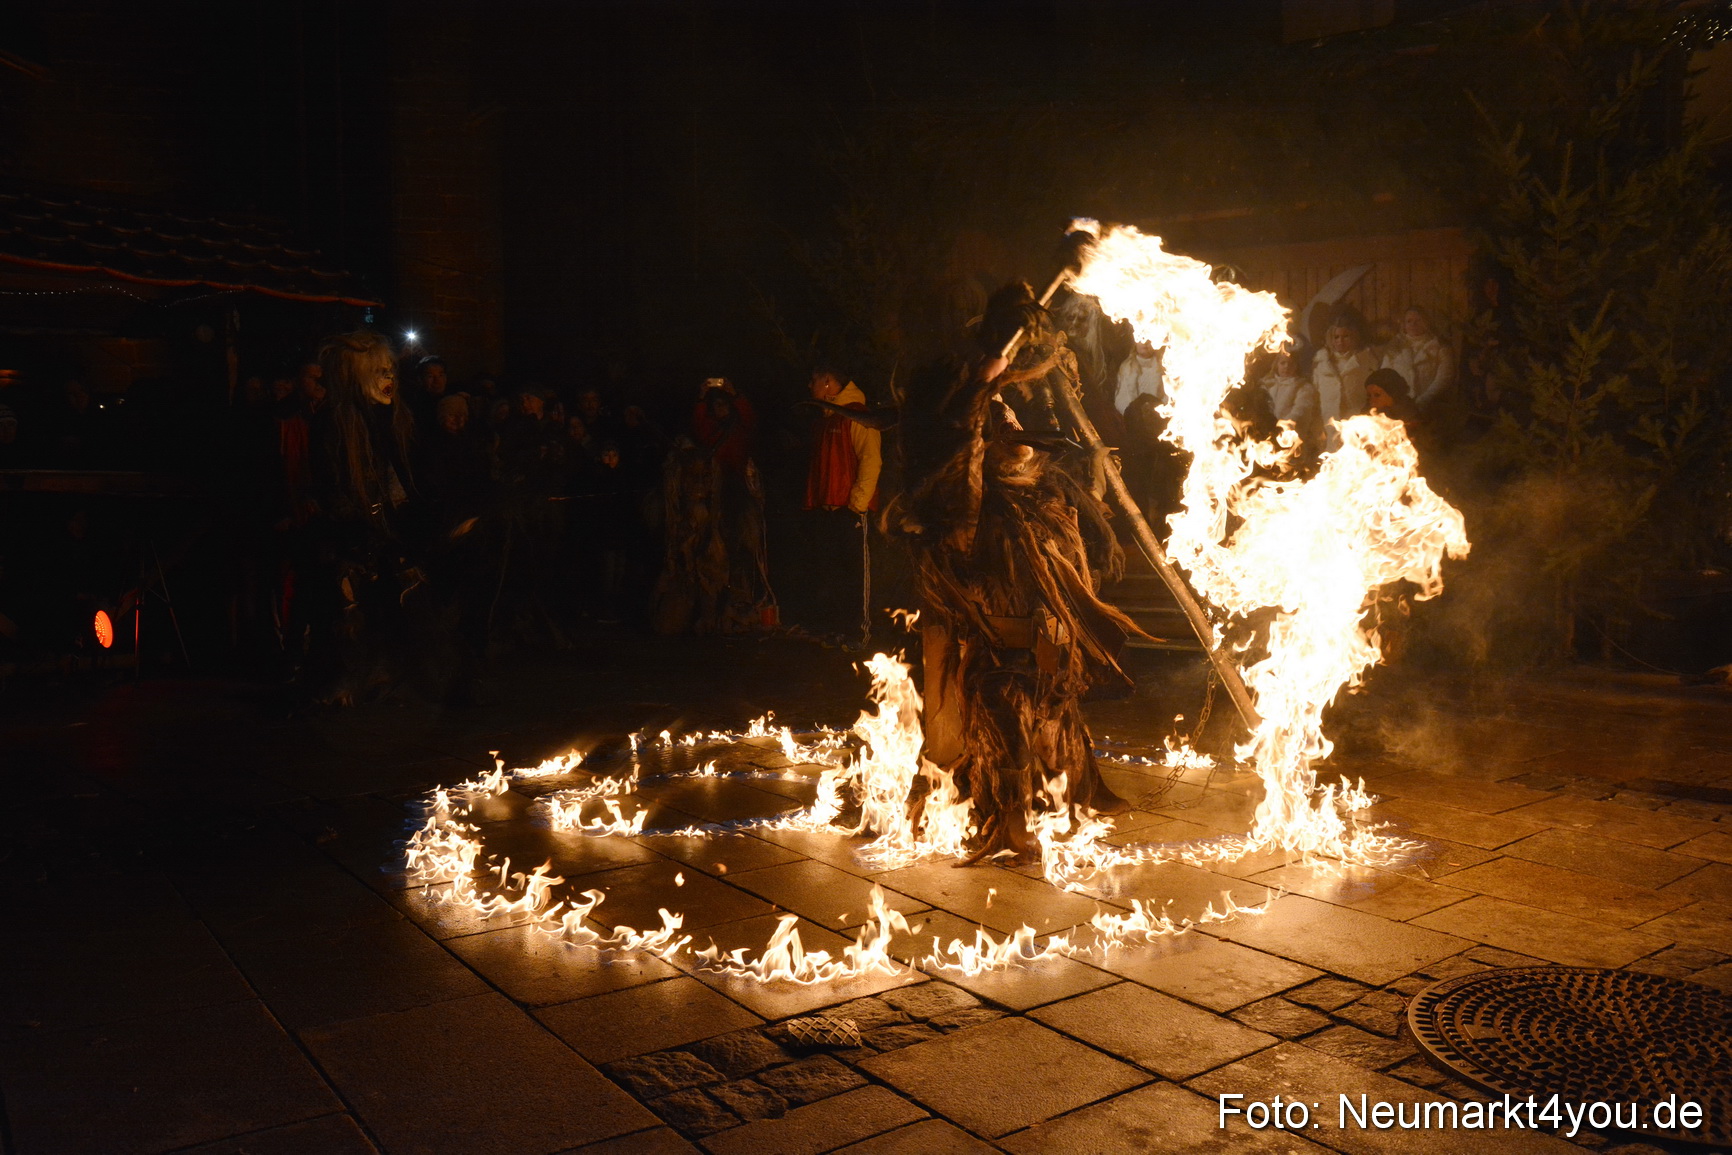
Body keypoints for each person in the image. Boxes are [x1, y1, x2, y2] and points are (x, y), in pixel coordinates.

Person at [887, 287, 1142, 861]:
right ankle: (1006, 820)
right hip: (994, 646)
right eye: (996, 423)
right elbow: (956, 444)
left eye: (1010, 416)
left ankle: (1060, 798)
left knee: (1051, 714)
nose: (1010, 425)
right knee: (1001, 704)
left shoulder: (1041, 493)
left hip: (1045, 644)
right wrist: (983, 383)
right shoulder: (967, 506)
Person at [803, 366, 883, 645]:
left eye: (814, 378)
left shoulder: (856, 414)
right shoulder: (827, 418)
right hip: (827, 508)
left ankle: (857, 634)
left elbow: (871, 460)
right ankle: (837, 630)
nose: (809, 383)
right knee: (832, 573)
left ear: (828, 382)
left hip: (848, 510)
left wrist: (857, 505)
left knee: (853, 574)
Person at [1310, 315, 1375, 452]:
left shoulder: (1365, 360)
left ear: (1353, 337)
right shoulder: (1321, 362)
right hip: (1330, 420)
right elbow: (1315, 393)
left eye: (1345, 336)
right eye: (1336, 337)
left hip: (1356, 418)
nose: (1340, 341)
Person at [1381, 307, 1455, 413]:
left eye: (1418, 320)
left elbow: (1444, 377)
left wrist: (1425, 398)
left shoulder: (1440, 346)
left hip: (1431, 405)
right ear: (1404, 325)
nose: (1413, 324)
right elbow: (1385, 374)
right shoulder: (1394, 347)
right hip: (1399, 405)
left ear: (1426, 322)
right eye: (1409, 321)